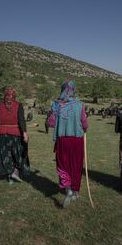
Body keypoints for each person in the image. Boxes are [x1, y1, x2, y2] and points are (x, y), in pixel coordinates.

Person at [47, 80, 88, 208]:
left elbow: (51, 124)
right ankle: (75, 192)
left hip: (62, 140)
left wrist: (53, 114)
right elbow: (85, 123)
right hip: (76, 140)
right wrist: (84, 128)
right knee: (75, 165)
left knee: (63, 164)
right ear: (73, 89)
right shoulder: (80, 104)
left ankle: (68, 188)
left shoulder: (56, 104)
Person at [0, 87, 29, 184]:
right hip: (15, 134)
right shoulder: (18, 105)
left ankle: (10, 175)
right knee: (16, 154)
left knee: (5, 155)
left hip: (3, 134)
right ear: (14, 96)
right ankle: (13, 173)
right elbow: (21, 120)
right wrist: (24, 132)